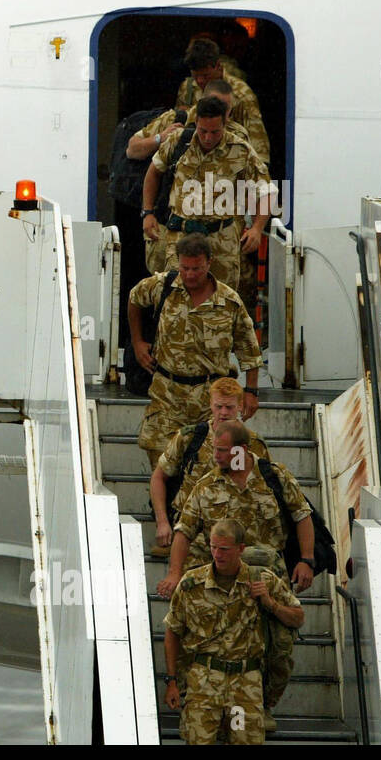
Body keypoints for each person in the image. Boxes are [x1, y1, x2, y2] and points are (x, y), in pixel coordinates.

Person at [162, 418, 317, 728]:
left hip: (268, 576)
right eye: (215, 450)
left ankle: (264, 704)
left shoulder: (275, 477)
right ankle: (202, 703)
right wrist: (175, 572)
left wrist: (307, 560)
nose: (215, 456)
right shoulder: (206, 486)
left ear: (241, 450)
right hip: (222, 574)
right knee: (210, 643)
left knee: (279, 646)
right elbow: (184, 530)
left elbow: (302, 516)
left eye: (222, 451)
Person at [127, 235, 262, 472]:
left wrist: (250, 391)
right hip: (167, 396)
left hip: (209, 401)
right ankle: (161, 509)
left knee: (209, 468)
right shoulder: (163, 286)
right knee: (162, 466)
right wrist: (138, 342)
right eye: (184, 268)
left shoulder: (229, 301)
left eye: (196, 269)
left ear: (209, 263)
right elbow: (134, 299)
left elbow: (248, 349)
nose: (189, 274)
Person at [164, 519, 304, 744]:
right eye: (213, 547)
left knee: (243, 740)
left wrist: (270, 603)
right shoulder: (192, 583)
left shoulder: (262, 580)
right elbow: (173, 631)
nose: (217, 554)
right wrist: (171, 681)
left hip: (243, 685)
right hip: (204, 682)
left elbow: (298, 618)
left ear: (240, 549)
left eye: (224, 549)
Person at [139, 96, 273, 293]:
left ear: (225, 124)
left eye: (215, 132)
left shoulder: (240, 150)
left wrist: (257, 228)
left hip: (221, 241)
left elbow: (266, 191)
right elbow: (153, 172)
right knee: (177, 300)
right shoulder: (179, 141)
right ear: (197, 123)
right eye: (203, 131)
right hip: (181, 237)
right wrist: (148, 212)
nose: (208, 137)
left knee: (222, 304)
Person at [147, 377, 270, 556]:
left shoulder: (254, 444)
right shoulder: (189, 438)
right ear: (210, 404)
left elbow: (268, 487)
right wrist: (162, 522)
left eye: (229, 407)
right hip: (193, 533)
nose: (223, 413)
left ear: (240, 407)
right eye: (218, 406)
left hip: (238, 534)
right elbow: (159, 477)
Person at [173, 37, 269, 164]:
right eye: (195, 75)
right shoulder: (188, 88)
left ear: (218, 66)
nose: (200, 81)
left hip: (229, 164)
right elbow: (178, 128)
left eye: (205, 75)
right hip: (193, 162)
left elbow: (258, 144)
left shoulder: (241, 94)